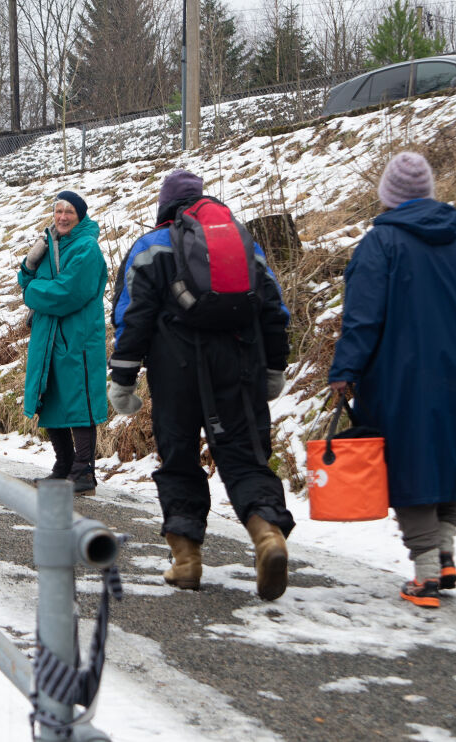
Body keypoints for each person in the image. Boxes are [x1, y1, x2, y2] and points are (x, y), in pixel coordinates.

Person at [328, 152, 456, 608]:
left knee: (409, 465)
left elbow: (362, 318)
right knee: (451, 459)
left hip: (399, 376)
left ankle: (426, 572)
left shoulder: (381, 243)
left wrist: (345, 371)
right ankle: (445, 553)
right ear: (428, 191)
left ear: (388, 196)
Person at [107, 169, 295, 601]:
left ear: (164, 206)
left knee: (179, 458)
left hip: (175, 369)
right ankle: (267, 535)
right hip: (240, 362)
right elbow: (272, 307)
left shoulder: (150, 247)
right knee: (246, 456)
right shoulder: (241, 242)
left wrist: (123, 376)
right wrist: (275, 367)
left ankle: (186, 560)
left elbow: (131, 317)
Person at [18, 190, 108, 495]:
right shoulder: (49, 243)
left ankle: (84, 472)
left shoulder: (87, 249)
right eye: (58, 211)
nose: (63, 217)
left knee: (78, 399)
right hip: (49, 336)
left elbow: (66, 293)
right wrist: (29, 269)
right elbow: (28, 277)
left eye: (69, 211)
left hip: (77, 337)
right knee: (52, 395)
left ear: (80, 215)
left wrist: (32, 291)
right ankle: (64, 464)